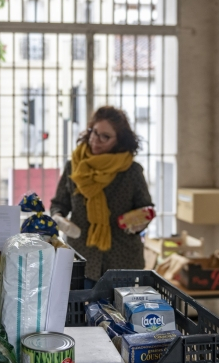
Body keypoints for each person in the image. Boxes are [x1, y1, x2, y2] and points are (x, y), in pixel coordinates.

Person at [50, 106, 155, 284]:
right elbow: (59, 203)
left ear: (119, 141)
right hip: (82, 257)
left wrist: (138, 221)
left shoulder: (131, 170)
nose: (95, 140)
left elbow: (145, 207)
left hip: (123, 260)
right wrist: (59, 218)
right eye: (94, 132)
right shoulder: (74, 167)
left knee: (121, 311)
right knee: (79, 310)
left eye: (105, 137)